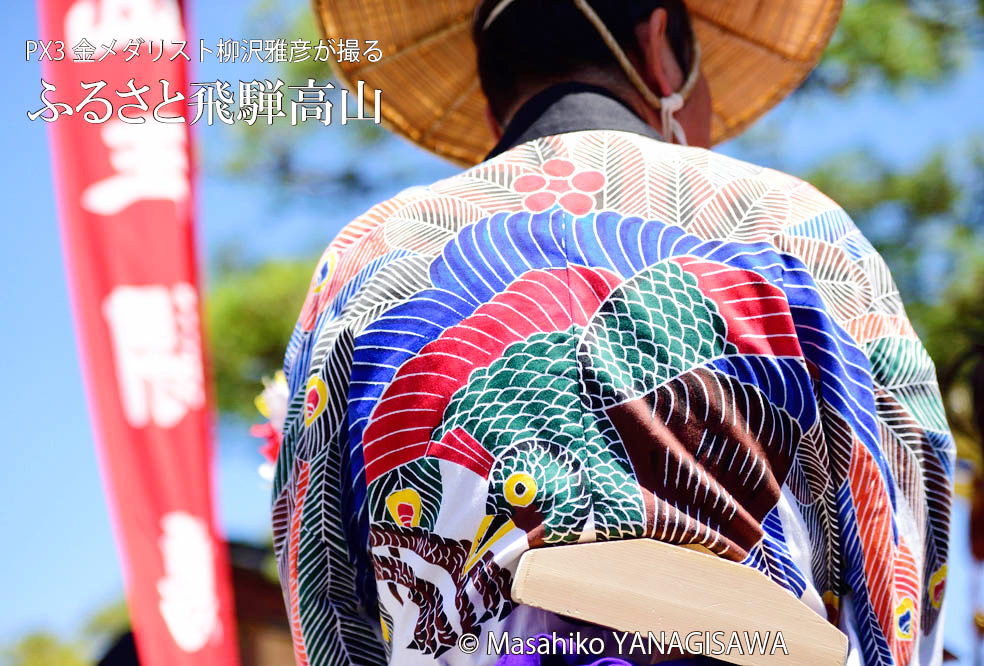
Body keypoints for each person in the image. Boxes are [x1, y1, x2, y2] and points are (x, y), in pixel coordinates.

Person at [267, 1, 956, 664]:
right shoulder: (794, 227)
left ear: (491, 106)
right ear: (660, 48)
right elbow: (900, 514)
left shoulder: (368, 261)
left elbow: (324, 586)